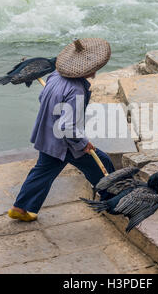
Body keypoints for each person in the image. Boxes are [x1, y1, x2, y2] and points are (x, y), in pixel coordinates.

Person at [8, 38, 115, 222]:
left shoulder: (55, 76)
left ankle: (20, 207)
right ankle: (112, 200)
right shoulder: (76, 90)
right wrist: (82, 143)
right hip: (65, 143)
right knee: (100, 163)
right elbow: (67, 127)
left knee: (42, 173)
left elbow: (43, 98)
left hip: (48, 135)